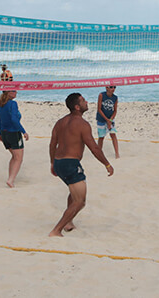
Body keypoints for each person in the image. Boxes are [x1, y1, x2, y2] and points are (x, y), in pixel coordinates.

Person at [48, 93, 114, 237]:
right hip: (71, 164)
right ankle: (56, 230)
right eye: (83, 100)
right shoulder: (82, 124)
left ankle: (68, 222)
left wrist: (53, 163)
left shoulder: (60, 122)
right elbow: (94, 147)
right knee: (80, 202)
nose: (86, 102)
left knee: (73, 191)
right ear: (77, 107)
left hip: (59, 163)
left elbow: (53, 144)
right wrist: (107, 164)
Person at [0, 90, 29, 188]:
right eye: (13, 91)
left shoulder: (1, 103)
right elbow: (14, 119)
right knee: (18, 158)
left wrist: (0, 133)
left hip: (4, 133)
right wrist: (24, 131)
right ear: (8, 93)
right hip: (13, 133)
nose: (16, 92)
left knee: (14, 157)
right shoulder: (12, 104)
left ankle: (10, 177)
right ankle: (11, 180)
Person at [96, 86, 120, 158]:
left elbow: (115, 110)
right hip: (101, 119)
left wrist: (110, 120)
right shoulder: (101, 95)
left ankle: (117, 154)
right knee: (101, 137)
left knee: (113, 134)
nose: (113, 89)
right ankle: (99, 153)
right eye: (111, 87)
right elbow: (99, 109)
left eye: (114, 87)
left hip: (110, 119)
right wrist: (107, 120)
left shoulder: (115, 97)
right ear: (106, 88)